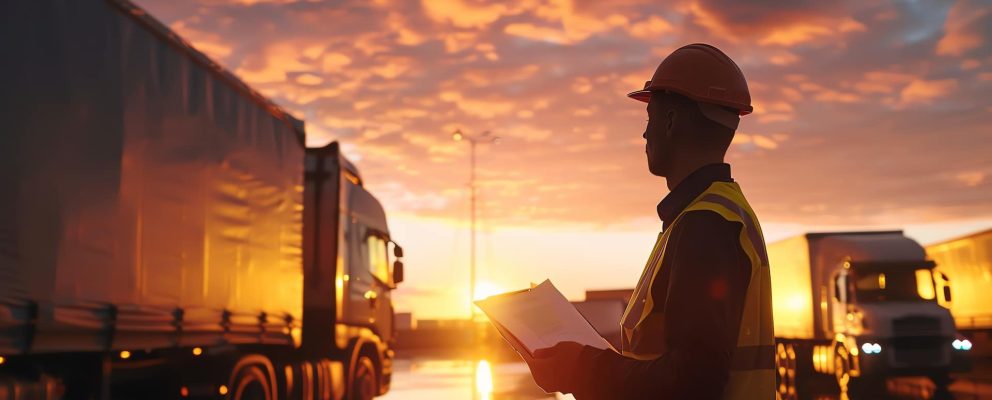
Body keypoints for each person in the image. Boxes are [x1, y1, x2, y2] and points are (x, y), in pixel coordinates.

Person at [523, 43, 776, 399]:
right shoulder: (721, 213)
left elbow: (692, 381)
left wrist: (581, 368)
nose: (645, 134)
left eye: (649, 118)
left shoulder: (704, 225)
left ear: (670, 121)